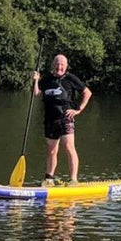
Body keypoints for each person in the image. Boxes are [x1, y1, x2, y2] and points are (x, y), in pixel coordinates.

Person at [33, 53, 91, 186]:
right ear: (53, 65)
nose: (59, 67)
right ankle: (49, 178)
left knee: (69, 146)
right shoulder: (46, 80)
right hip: (50, 119)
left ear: (66, 66)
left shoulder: (70, 79)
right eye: (57, 64)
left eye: (62, 65)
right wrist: (36, 80)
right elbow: (36, 93)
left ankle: (73, 179)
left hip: (66, 117)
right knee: (51, 150)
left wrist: (79, 110)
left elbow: (87, 93)